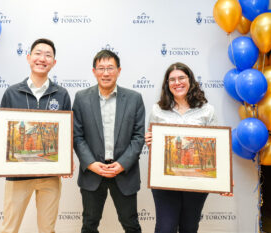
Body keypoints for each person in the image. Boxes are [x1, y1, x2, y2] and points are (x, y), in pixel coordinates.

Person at [0, 38, 71, 233]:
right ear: (28, 58)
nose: (42, 59)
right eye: (38, 53)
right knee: (9, 228)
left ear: (54, 62)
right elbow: (6, 133)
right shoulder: (12, 92)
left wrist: (67, 161)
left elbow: (67, 133)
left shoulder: (62, 94)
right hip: (17, 176)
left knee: (47, 229)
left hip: (50, 175)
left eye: (48, 55)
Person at [145, 62, 233, 233]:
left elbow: (217, 148)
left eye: (181, 78)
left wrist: (226, 178)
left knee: (189, 227)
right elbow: (154, 145)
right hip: (165, 180)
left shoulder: (207, 110)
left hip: (197, 180)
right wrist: (150, 141)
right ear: (167, 84)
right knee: (165, 228)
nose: (177, 83)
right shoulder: (158, 110)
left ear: (190, 80)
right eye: (172, 80)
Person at [73, 49, 145, 233]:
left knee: (131, 224)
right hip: (93, 173)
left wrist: (122, 164)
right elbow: (77, 136)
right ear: (94, 71)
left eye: (110, 68)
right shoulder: (81, 98)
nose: (106, 73)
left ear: (119, 71)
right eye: (101, 68)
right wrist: (90, 164)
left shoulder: (134, 99)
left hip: (124, 172)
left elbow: (138, 137)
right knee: (89, 225)